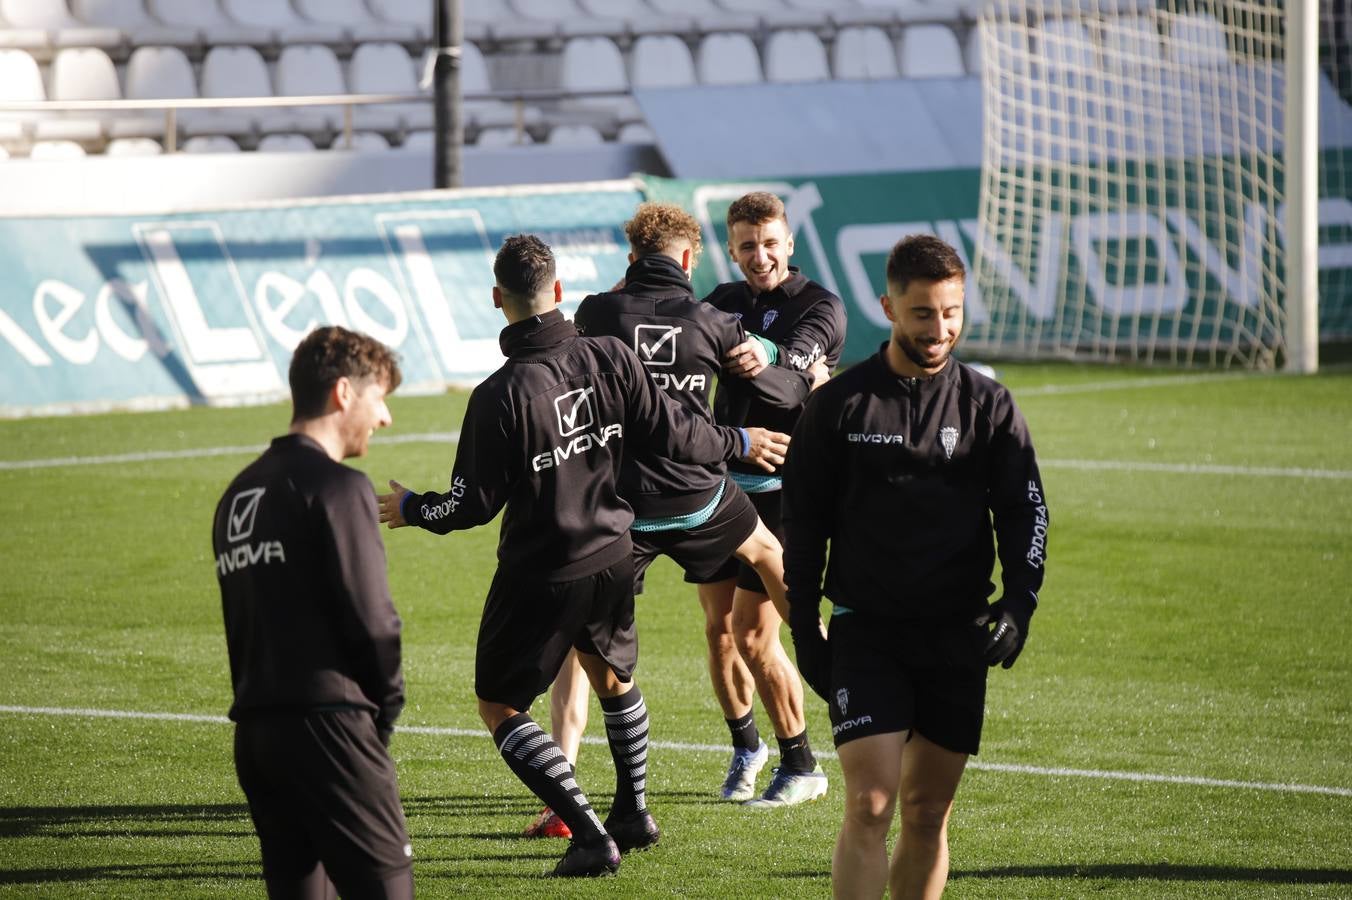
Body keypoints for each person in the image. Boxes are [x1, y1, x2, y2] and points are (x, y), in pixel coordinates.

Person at [373, 235, 790, 878]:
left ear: (496, 300)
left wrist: (412, 508)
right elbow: (677, 430)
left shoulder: (499, 395)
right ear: (560, 291)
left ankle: (592, 834)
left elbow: (470, 505)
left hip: (545, 570)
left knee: (498, 705)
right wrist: (735, 438)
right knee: (611, 677)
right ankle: (634, 810)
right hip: (615, 553)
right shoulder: (610, 357)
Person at [520, 202, 824, 832]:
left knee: (585, 648)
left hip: (621, 509)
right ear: (691, 258)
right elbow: (783, 389)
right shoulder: (713, 319)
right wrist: (801, 375)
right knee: (769, 560)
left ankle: (563, 799)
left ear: (632, 261)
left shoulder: (600, 312)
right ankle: (833, 666)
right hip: (701, 496)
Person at [782, 234, 1049, 899]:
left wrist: (1018, 605)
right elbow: (804, 522)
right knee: (870, 806)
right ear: (889, 307)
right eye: (923, 314)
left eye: (951, 313)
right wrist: (802, 620)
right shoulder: (840, 406)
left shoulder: (989, 405)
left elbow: (1025, 512)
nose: (940, 329)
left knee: (927, 812)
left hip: (957, 633)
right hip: (867, 633)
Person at [211, 325, 413, 900]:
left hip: (256, 737)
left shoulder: (237, 495)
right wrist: (383, 718)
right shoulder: (338, 488)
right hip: (333, 730)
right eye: (380, 399)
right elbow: (376, 622)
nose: (385, 419)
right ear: (344, 393)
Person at [700, 190, 848, 806]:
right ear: (732, 250)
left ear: (789, 243)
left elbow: (795, 380)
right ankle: (747, 748)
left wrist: (767, 356)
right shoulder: (722, 303)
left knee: (776, 633)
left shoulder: (821, 306)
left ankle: (825, 749)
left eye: (769, 244)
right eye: (746, 247)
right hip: (718, 488)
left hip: (786, 497)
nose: (759, 256)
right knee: (720, 631)